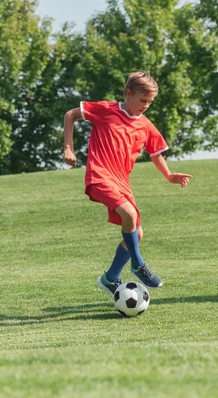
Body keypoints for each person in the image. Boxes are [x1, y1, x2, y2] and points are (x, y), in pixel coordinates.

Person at [63, 71, 192, 296]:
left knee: (136, 233)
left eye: (150, 102)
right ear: (128, 93)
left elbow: (156, 153)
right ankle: (137, 264)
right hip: (100, 176)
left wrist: (169, 176)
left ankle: (110, 278)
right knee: (129, 216)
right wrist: (68, 147)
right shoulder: (106, 110)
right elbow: (70, 114)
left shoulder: (145, 125)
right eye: (142, 100)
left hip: (122, 182)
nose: (146, 106)